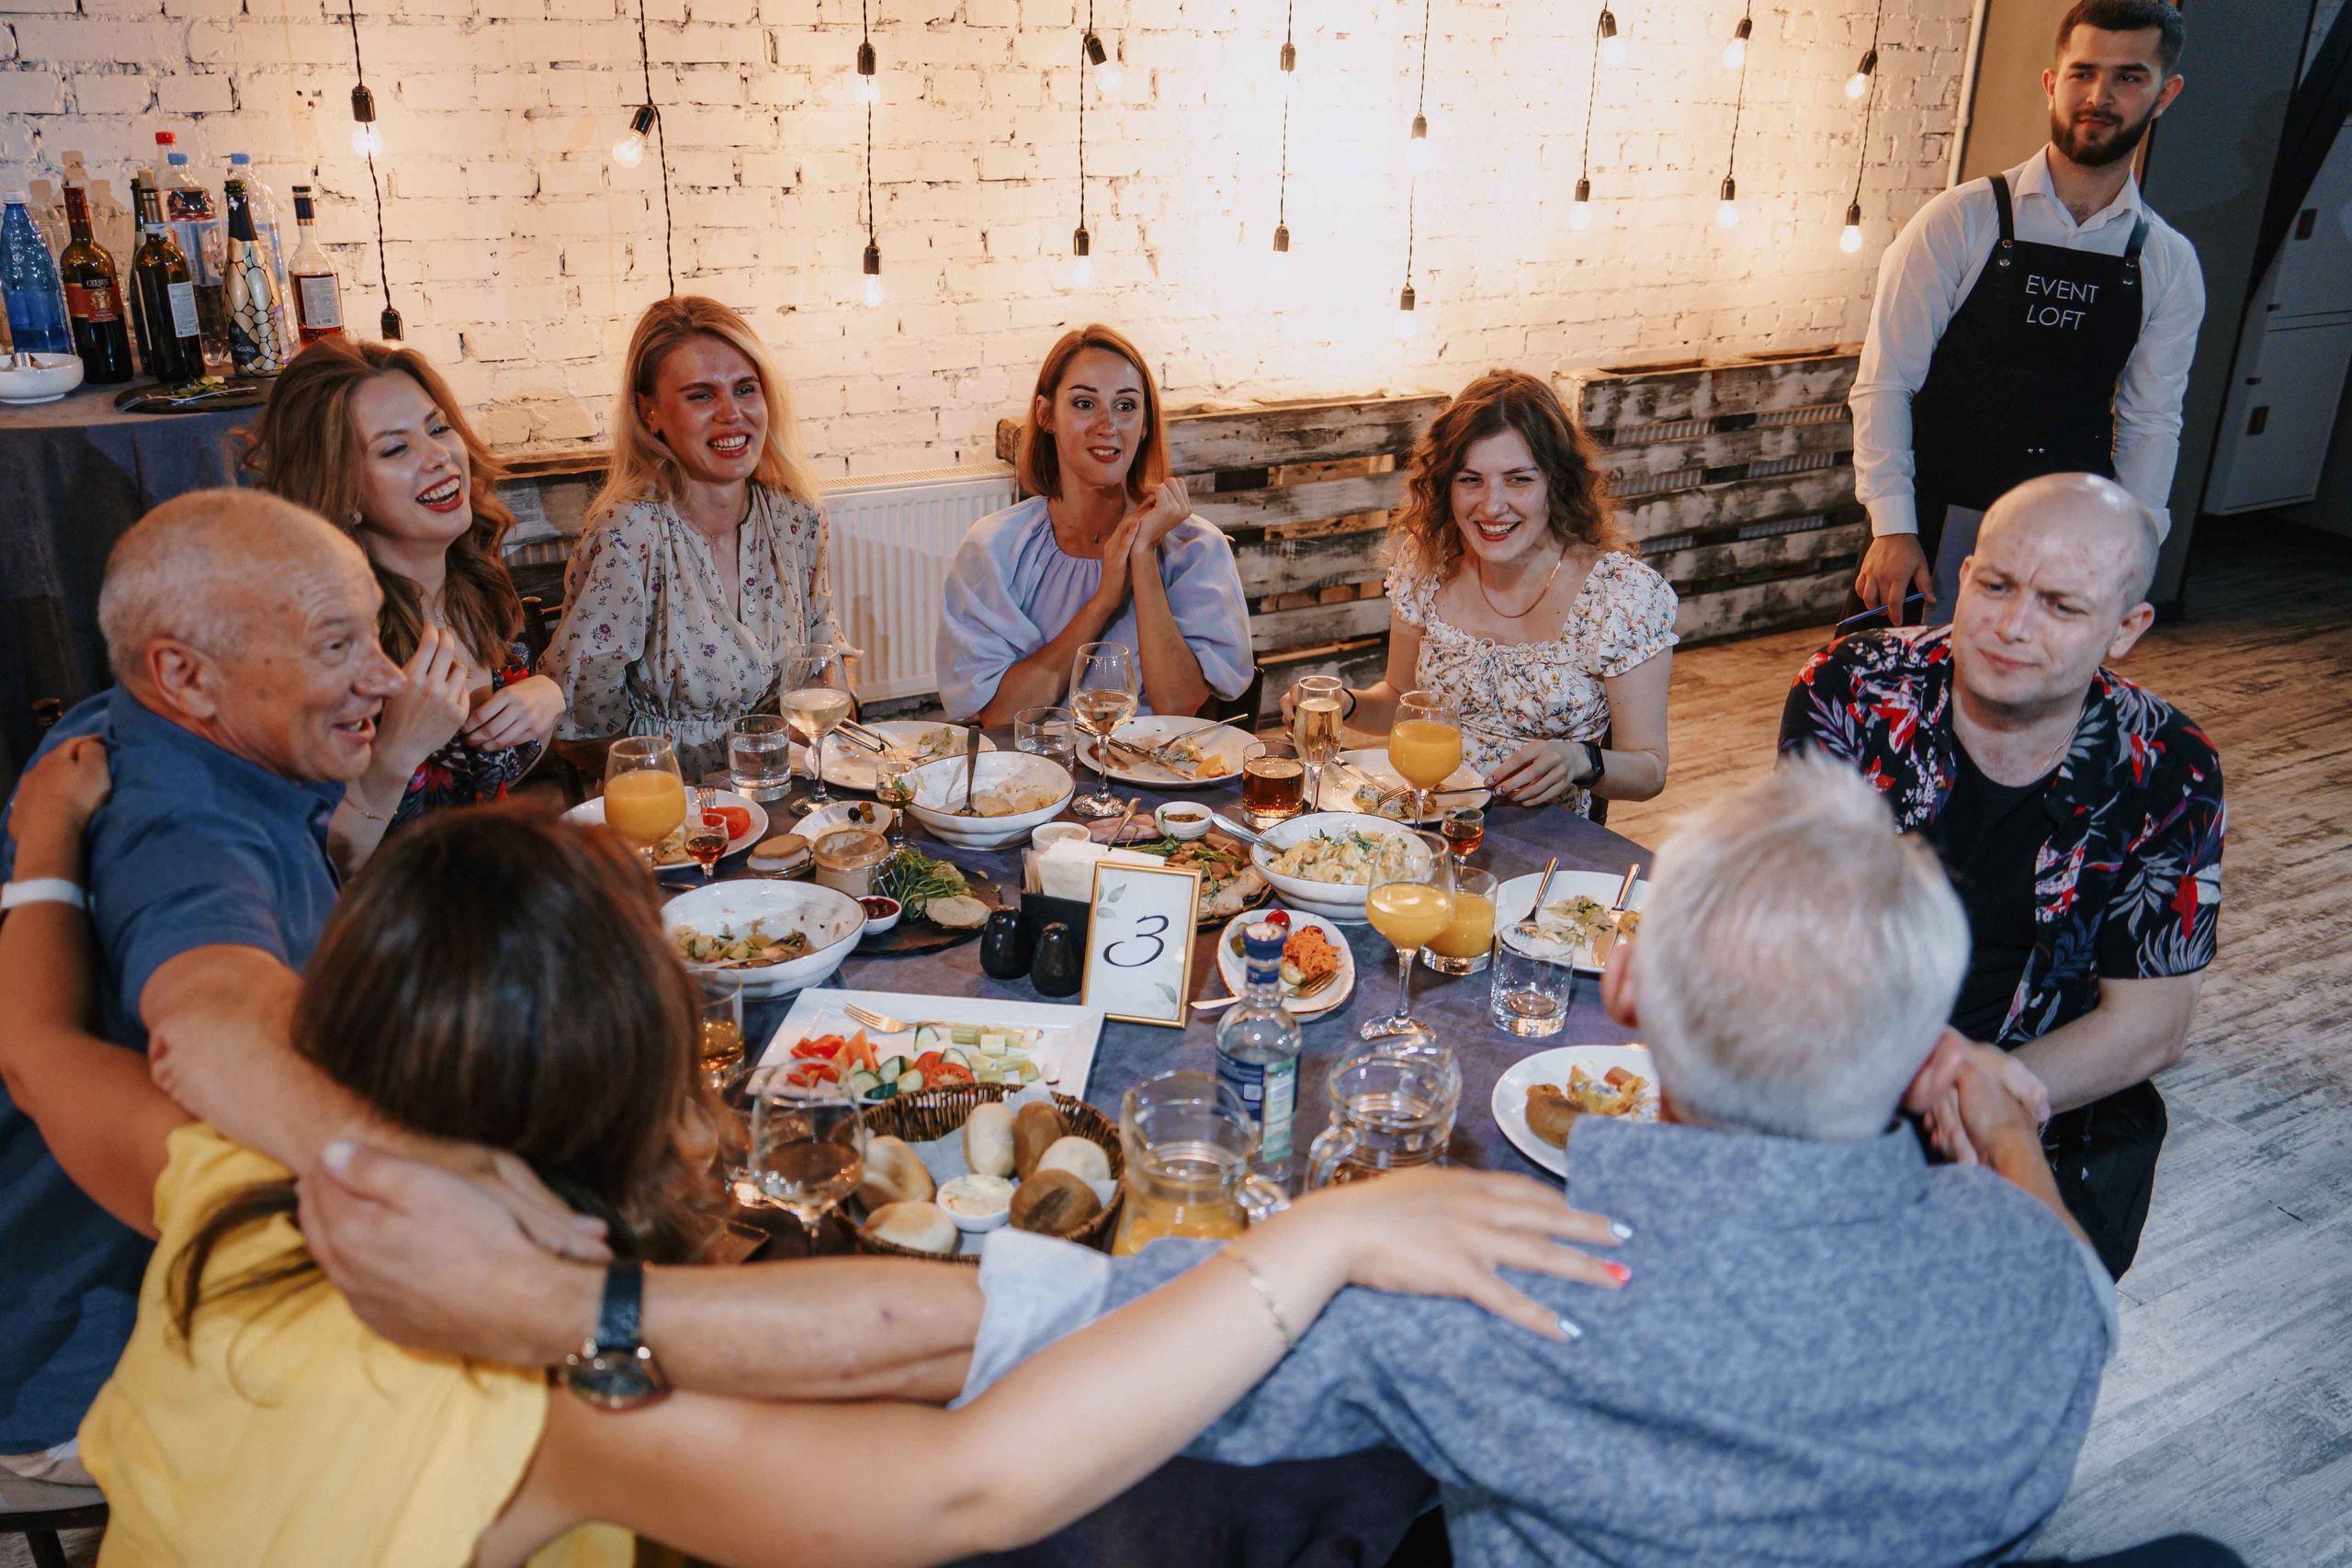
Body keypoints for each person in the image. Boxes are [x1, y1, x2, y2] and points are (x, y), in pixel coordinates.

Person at [3, 779, 1626, 1566]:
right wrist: (1324, 1241)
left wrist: (39, 849)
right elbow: (966, 1486)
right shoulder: (553, 1405)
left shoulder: (225, 1173)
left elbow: (37, 1051)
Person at [953, 754, 2157, 1568]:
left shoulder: (1488, 1292)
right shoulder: (2043, 1279)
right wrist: (2005, 1132)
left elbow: (1031, 1329)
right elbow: (2068, 1271)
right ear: (1922, 1053)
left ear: (1622, 986)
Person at [1781, 472, 2222, 1278]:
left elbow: (2152, 1023)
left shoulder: (2171, 764)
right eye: (1995, 584)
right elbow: (1803, 925)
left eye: (2061, 605)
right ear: (1966, 570)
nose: (2011, 627)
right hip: (1842, 1071)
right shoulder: (1852, 687)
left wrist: (1986, 1095)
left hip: (2044, 1107)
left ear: (2126, 628)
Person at [1849, 0, 2202, 627]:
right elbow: (1885, 383)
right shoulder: (1960, 221)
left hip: (2067, 541)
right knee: (1891, 714)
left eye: (2129, 77)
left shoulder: (2167, 261)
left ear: (2166, 93)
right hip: (1931, 528)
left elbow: (2151, 422)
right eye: (2083, 72)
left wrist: (2133, 550)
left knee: (2032, 714)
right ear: (2051, 82)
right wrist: (1893, 527)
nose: (2099, 95)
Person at [243, 336, 565, 863]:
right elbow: (308, 871)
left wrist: (548, 699)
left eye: (438, 428)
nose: (439, 457)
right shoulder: (322, 648)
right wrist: (392, 757)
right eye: (395, 448)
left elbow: (483, 778)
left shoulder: (469, 588)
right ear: (341, 492)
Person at [1301, 369, 1672, 818]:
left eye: (1518, 479)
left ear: (1557, 482)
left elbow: (1649, 769)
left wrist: (1583, 760)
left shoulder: (1622, 596)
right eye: (1470, 479)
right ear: (1444, 485)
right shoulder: (1426, 568)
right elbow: (1399, 697)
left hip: (1544, 837)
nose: (1492, 506)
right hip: (1426, 819)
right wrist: (1349, 705)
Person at [543, 295, 844, 781]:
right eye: (701, 395)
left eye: (746, 389)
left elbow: (822, 660)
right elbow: (579, 717)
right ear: (650, 414)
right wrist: (674, 797)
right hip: (674, 806)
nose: (732, 414)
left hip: (787, 784)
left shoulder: (798, 517)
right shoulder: (629, 534)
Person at [937, 324, 1254, 726]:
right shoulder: (995, 548)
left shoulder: (1194, 547)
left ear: (1144, 426)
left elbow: (1177, 707)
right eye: (1084, 404)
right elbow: (999, 717)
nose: (1107, 425)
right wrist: (1103, 600)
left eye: (1125, 406)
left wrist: (1143, 556)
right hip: (1033, 782)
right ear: (1045, 414)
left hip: (1153, 780)